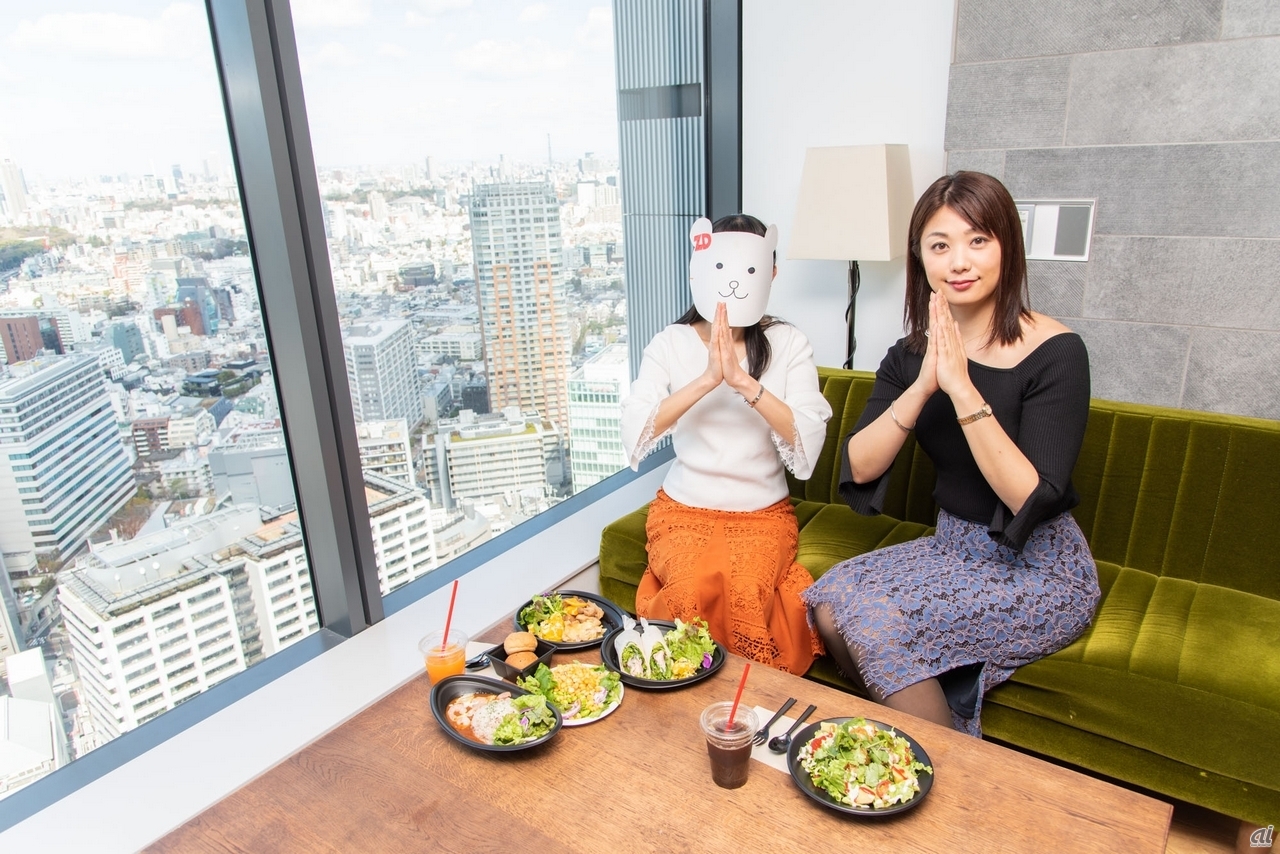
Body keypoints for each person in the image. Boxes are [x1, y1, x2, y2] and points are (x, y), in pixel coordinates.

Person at [802, 172, 1101, 735]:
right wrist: (924, 385)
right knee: (830, 599)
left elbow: (1030, 496)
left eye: (978, 240)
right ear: (921, 259)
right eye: (940, 245)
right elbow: (861, 465)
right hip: (951, 547)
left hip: (1040, 568)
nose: (959, 261)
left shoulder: (1056, 351)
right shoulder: (910, 355)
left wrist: (962, 388)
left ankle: (955, 771)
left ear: (1006, 247)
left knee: (873, 619)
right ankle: (909, 743)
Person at [621, 213, 831, 674]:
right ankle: (682, 697)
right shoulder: (670, 342)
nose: (734, 281)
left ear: (771, 273)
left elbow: (807, 438)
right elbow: (636, 432)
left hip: (761, 513)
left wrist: (742, 382)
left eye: (751, 269)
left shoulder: (788, 342)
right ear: (698, 270)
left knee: (745, 590)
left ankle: (745, 701)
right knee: (689, 588)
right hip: (682, 509)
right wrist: (707, 379)